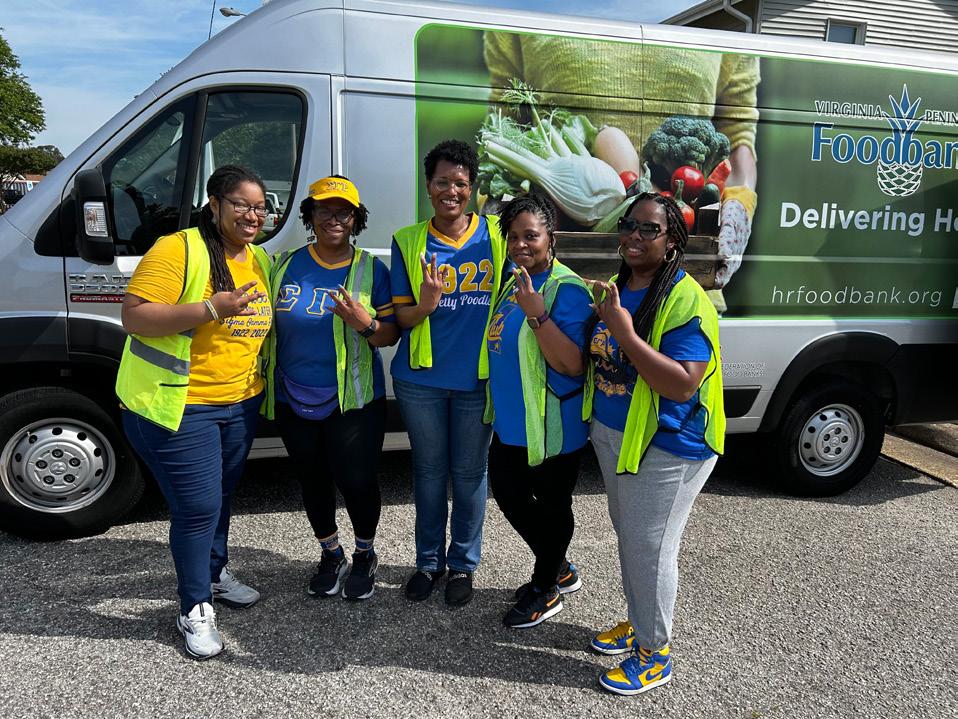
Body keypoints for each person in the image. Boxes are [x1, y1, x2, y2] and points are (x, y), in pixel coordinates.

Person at [116, 165, 273, 660]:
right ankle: (194, 606)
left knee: (220, 497)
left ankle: (214, 573)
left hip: (240, 402)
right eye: (241, 204)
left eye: (260, 207)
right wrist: (210, 309)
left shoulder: (258, 258)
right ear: (215, 204)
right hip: (180, 404)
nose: (252, 215)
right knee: (198, 507)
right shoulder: (178, 249)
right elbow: (134, 316)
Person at [483, 32, 759, 306]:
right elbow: (501, 127)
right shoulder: (519, 15)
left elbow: (738, 136)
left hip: (683, 293)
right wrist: (497, 209)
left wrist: (739, 205)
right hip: (549, 290)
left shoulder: (729, 22)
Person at [585, 193, 725, 695]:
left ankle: (654, 653)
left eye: (650, 229)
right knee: (632, 538)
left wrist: (625, 334)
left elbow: (682, 384)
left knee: (650, 547)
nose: (635, 236)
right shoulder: (619, 286)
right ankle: (641, 619)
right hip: (617, 437)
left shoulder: (686, 298)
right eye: (629, 225)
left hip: (668, 443)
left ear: (671, 242)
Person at [261, 175, 398, 601]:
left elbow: (389, 334)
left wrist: (365, 322)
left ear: (356, 220)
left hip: (353, 400)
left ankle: (365, 554)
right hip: (292, 395)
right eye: (324, 210)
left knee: (357, 480)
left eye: (344, 212)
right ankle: (330, 553)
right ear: (310, 215)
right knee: (312, 480)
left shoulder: (372, 270)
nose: (334, 219)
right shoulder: (283, 265)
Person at [390, 139, 507, 607]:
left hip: (477, 381)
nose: (451, 191)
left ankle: (462, 565)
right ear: (428, 185)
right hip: (420, 381)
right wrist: (425, 304)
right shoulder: (407, 240)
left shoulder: (498, 234)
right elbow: (400, 319)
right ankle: (427, 562)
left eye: (460, 183)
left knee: (470, 473)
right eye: (442, 181)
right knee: (429, 472)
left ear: (472, 187)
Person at [484, 194, 593, 628]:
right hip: (514, 422)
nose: (520, 244)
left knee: (551, 506)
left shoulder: (566, 289)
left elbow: (572, 364)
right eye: (513, 237)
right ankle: (558, 566)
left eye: (530, 236)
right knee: (508, 494)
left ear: (551, 238)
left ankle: (546, 587)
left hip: (553, 425)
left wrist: (538, 316)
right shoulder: (514, 283)